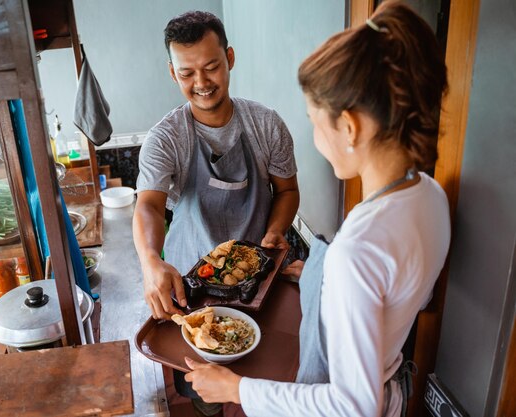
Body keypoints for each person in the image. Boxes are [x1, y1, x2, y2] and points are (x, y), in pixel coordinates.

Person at [182, 2, 451, 416]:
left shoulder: (357, 250)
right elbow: (406, 293)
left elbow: (352, 406)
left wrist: (238, 389)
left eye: (314, 120)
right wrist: (323, 281)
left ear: (349, 127)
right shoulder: (430, 196)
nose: (315, 138)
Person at [133, 11, 299, 321]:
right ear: (172, 73)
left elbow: (287, 190)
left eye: (211, 67)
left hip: (255, 278)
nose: (201, 83)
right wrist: (150, 260)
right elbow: (149, 207)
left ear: (230, 58)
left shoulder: (266, 125)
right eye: (187, 74)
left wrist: (276, 231)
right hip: (189, 285)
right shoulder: (165, 138)